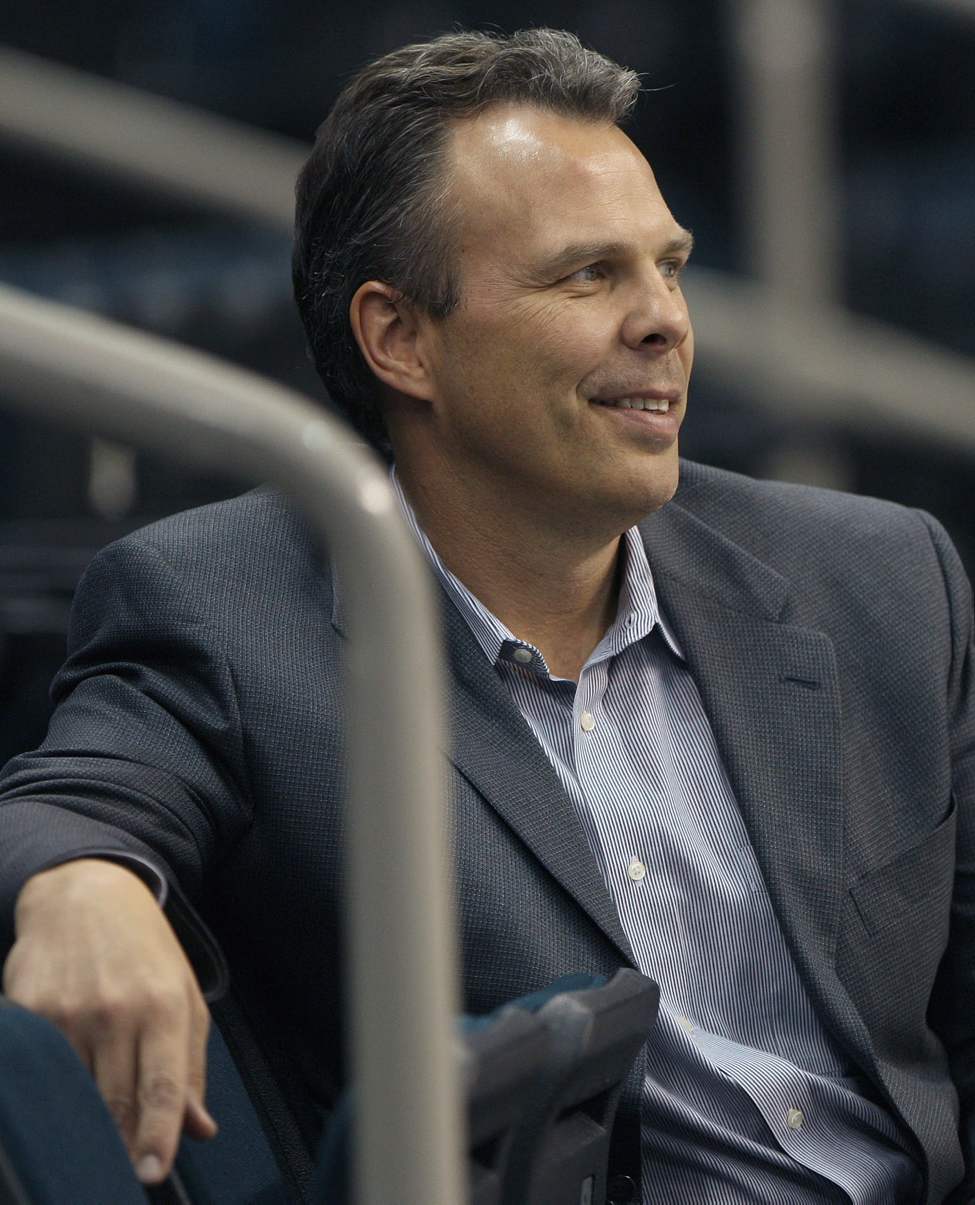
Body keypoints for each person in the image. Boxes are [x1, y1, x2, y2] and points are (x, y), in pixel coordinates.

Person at [0, 27, 972, 1204]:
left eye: (668, 264)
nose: (665, 318)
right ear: (399, 338)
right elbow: (71, 799)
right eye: (588, 275)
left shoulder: (878, 577)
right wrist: (86, 883)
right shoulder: (225, 606)